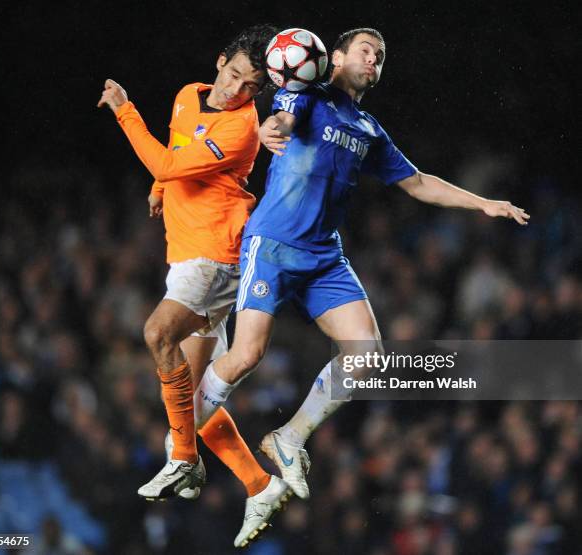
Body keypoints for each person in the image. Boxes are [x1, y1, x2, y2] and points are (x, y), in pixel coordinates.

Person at [190, 26, 530, 514]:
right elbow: (284, 116)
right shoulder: (308, 94)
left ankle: (289, 438)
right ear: (338, 57)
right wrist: (272, 129)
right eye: (367, 50)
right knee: (246, 355)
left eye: (382, 56)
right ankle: (182, 429)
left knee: (367, 356)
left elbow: (416, 181)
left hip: (325, 257)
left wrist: (483, 204)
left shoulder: (367, 128)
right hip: (275, 246)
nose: (375, 60)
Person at [98, 25, 293, 547]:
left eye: (251, 86)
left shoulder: (243, 128)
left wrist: (124, 109)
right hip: (187, 251)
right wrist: (161, 188)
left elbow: (165, 157)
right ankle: (260, 485)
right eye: (233, 75)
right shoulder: (189, 96)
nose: (236, 90)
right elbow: (177, 153)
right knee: (195, 403)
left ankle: (182, 461)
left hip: (214, 254)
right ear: (220, 61)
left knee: (157, 334)